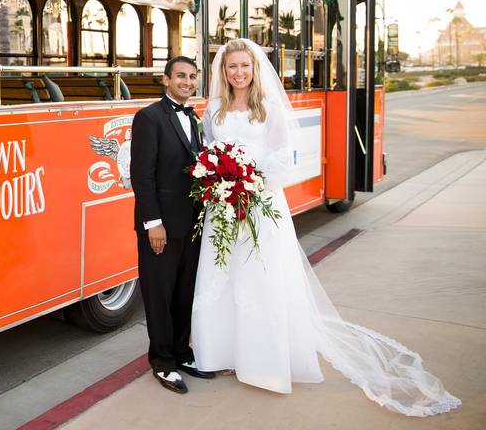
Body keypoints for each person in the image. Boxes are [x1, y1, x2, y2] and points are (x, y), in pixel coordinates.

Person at [190, 38, 460, 416]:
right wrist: (220, 181)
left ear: (255, 69)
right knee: (225, 275)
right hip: (223, 208)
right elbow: (207, 152)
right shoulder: (214, 108)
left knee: (259, 276)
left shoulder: (267, 108)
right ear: (223, 70)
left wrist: (249, 180)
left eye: (244, 66)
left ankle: (261, 359)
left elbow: (286, 158)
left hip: (260, 203)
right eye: (232, 66)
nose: (238, 73)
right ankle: (223, 352)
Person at [130, 55, 215, 394]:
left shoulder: (194, 117)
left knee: (184, 293)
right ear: (166, 79)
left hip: (191, 223)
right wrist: (154, 223)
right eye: (180, 76)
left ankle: (182, 352)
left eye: (193, 77)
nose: (188, 82)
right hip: (161, 226)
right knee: (159, 296)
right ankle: (163, 362)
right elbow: (142, 175)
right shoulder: (148, 117)